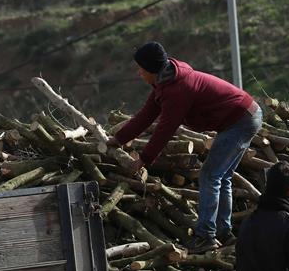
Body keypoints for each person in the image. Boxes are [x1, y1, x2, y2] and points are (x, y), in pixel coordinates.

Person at [109, 41, 262, 254]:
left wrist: (144, 159)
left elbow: (166, 128)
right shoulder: (165, 83)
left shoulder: (178, 89)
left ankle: (205, 236)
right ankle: (223, 232)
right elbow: (144, 117)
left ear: (152, 69)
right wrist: (117, 139)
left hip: (241, 120)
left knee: (210, 175)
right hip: (245, 115)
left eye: (141, 69)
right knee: (221, 176)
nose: (139, 73)